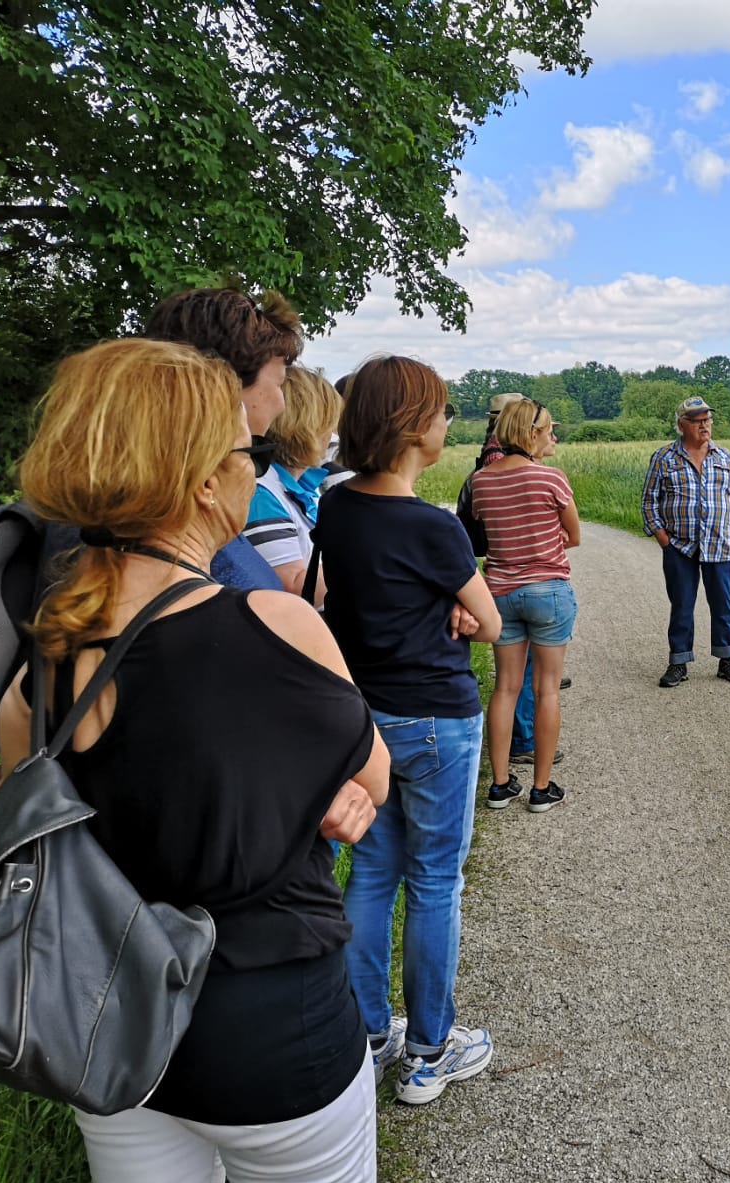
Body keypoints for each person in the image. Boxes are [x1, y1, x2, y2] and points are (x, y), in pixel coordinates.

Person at [0, 338, 389, 1183]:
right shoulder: (279, 627)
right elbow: (374, 778)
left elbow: (33, 825)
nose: (256, 470)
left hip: (108, 1032)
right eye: (249, 453)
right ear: (206, 483)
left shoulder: (43, 665)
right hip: (274, 1033)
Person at [314, 355, 504, 1106]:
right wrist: (457, 609)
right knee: (434, 881)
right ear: (413, 427)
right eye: (441, 410)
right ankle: (430, 1049)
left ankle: (367, 1036)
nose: (448, 422)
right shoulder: (434, 526)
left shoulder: (336, 507)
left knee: (371, 875)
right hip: (436, 721)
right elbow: (489, 622)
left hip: (365, 721)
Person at [144, 286, 303, 592]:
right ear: (225, 386)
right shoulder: (191, 542)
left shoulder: (111, 508)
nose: (281, 404)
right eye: (279, 384)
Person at [471, 398, 580, 814]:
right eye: (549, 430)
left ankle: (500, 785)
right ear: (531, 433)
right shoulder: (551, 478)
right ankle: (541, 788)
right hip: (548, 591)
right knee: (546, 689)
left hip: (500, 593)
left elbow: (486, 533)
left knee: (506, 688)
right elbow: (573, 536)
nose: (553, 437)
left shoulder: (482, 480)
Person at [455, 392, 560, 767]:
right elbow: (567, 534)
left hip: (501, 580)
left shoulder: (486, 464)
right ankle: (525, 741)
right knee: (530, 679)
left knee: (508, 682)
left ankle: (503, 772)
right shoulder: (506, 464)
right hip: (531, 580)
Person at [641, 396, 730, 688]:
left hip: (720, 544)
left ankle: (726, 659)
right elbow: (649, 501)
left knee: (723, 604)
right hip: (679, 546)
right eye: (697, 421)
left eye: (707, 420)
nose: (705, 425)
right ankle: (678, 661)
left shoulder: (724, 457)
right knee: (681, 605)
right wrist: (662, 538)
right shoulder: (664, 458)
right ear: (682, 425)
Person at [247, 366, 342, 601]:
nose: (332, 435)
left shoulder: (297, 486)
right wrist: (370, 562)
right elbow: (295, 585)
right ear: (311, 427)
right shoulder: (262, 494)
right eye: (329, 424)